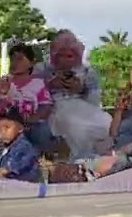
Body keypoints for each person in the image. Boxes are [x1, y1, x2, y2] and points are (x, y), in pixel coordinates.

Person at [37, 30, 110, 159]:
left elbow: (95, 100)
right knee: (78, 128)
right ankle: (83, 161)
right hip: (57, 110)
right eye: (61, 53)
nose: (66, 56)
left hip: (87, 110)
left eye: (70, 53)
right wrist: (50, 86)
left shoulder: (89, 72)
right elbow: (31, 94)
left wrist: (81, 89)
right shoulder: (42, 70)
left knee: (108, 123)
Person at [0, 43, 54, 150]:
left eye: (19, 59)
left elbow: (45, 106)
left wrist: (33, 119)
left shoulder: (38, 84)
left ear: (31, 63)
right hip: (9, 127)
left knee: (42, 129)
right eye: (12, 59)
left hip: (31, 126)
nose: (14, 63)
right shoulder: (4, 83)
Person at [0, 107, 42, 182]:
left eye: (7, 127)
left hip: (27, 187)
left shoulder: (24, 146)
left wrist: (6, 170)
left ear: (20, 128)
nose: (1, 134)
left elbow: (23, 161)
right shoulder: (7, 148)